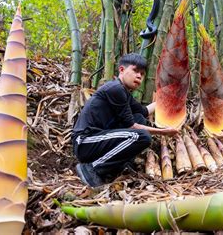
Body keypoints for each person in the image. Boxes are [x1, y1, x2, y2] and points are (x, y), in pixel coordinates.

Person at [72, 53, 178, 187]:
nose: (139, 76)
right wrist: (163, 132)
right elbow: (132, 127)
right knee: (141, 136)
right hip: (85, 142)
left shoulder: (123, 92)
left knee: (139, 118)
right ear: (122, 70)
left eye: (142, 74)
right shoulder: (115, 89)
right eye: (135, 71)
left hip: (98, 141)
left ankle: (114, 168)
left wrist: (166, 98)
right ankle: (92, 169)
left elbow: (143, 111)